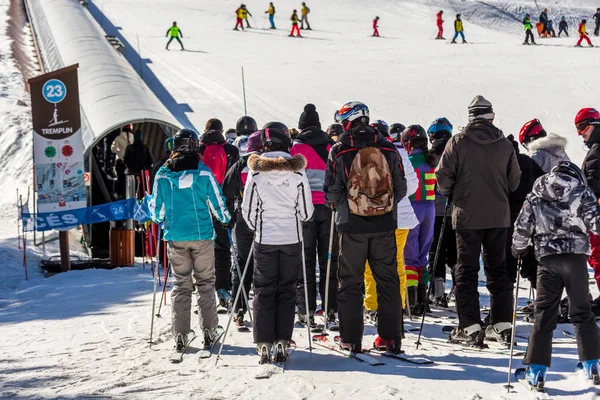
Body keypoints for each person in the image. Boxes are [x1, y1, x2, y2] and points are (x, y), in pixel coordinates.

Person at [435, 95, 521, 345]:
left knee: (467, 270)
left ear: (471, 117)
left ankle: (470, 326)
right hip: (499, 216)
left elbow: (443, 176)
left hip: (467, 215)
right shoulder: (504, 144)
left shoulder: (458, 142)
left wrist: (454, 193)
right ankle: (502, 324)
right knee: (498, 269)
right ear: (491, 116)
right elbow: (514, 181)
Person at [324, 101, 407, 353]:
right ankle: (390, 338)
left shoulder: (339, 149)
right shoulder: (388, 147)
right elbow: (401, 188)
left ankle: (351, 338)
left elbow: (330, 192)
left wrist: (346, 206)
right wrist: (382, 206)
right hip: (384, 223)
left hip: (351, 226)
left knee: (350, 281)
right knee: (388, 279)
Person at [512, 162, 600, 388]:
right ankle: (593, 363)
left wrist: (518, 248)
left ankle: (536, 370)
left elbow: (522, 227)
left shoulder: (536, 194)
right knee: (582, 311)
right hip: (576, 259)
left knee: (545, 314)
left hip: (547, 260)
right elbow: (596, 224)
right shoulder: (582, 192)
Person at [150, 128, 231, 352]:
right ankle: (209, 330)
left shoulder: (164, 175)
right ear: (196, 147)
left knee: (181, 285)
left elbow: (156, 210)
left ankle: (181, 334)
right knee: (205, 283)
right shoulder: (203, 173)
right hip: (202, 235)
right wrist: (226, 219)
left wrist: (158, 218)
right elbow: (217, 200)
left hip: (176, 236)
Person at [242, 122, 314, 363]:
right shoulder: (297, 172)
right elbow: (306, 211)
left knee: (263, 289)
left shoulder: (256, 172)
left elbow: (248, 210)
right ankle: (283, 340)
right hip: (292, 238)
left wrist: (258, 225)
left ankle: (263, 342)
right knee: (286, 289)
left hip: (265, 238)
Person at [289, 104, 338, 328]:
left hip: (304, 209)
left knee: (305, 261)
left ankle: (306, 310)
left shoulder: (295, 147)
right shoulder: (331, 145)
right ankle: (330, 309)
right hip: (329, 208)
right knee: (329, 261)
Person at [364, 127, 417, 324]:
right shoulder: (400, 152)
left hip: (376, 216)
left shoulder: (368, 152)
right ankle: (397, 305)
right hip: (401, 216)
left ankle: (373, 306)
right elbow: (412, 185)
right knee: (395, 262)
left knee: (371, 262)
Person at [222, 131, 263, 327]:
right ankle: (263, 308)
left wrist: (229, 217)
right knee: (265, 263)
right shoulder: (269, 163)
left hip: (243, 217)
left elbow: (227, 191)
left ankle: (238, 307)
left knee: (242, 261)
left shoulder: (240, 164)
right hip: (265, 217)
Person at [199, 119, 240, 309]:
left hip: (201, 205)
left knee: (202, 247)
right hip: (225, 203)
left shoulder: (197, 150)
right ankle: (223, 287)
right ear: (222, 131)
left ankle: (203, 288)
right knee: (224, 247)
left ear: (205, 130)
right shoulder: (231, 150)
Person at [400, 125, 437, 315]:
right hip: (430, 208)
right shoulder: (432, 161)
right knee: (423, 255)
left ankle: (411, 300)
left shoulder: (408, 161)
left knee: (409, 255)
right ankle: (423, 301)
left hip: (413, 208)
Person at [504, 134, 543, 289]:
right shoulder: (528, 161)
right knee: (531, 260)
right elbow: (544, 180)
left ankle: (503, 306)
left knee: (507, 261)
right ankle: (543, 303)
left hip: (507, 217)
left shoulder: (501, 163)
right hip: (530, 215)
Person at [426, 118, 456, 307]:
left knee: (435, 250)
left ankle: (437, 293)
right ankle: (459, 290)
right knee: (455, 253)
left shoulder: (430, 155)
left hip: (434, 210)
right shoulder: (458, 152)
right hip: (456, 210)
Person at [577, 107, 600, 301]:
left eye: (582, 127)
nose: (580, 133)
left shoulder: (597, 149)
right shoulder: (595, 148)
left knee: (597, 255)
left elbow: (593, 183)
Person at [110, 126, 133, 198]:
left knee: (120, 177)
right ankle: (126, 194)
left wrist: (117, 150)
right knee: (128, 178)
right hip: (129, 162)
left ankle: (118, 194)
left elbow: (113, 149)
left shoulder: (118, 138)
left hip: (120, 160)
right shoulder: (132, 137)